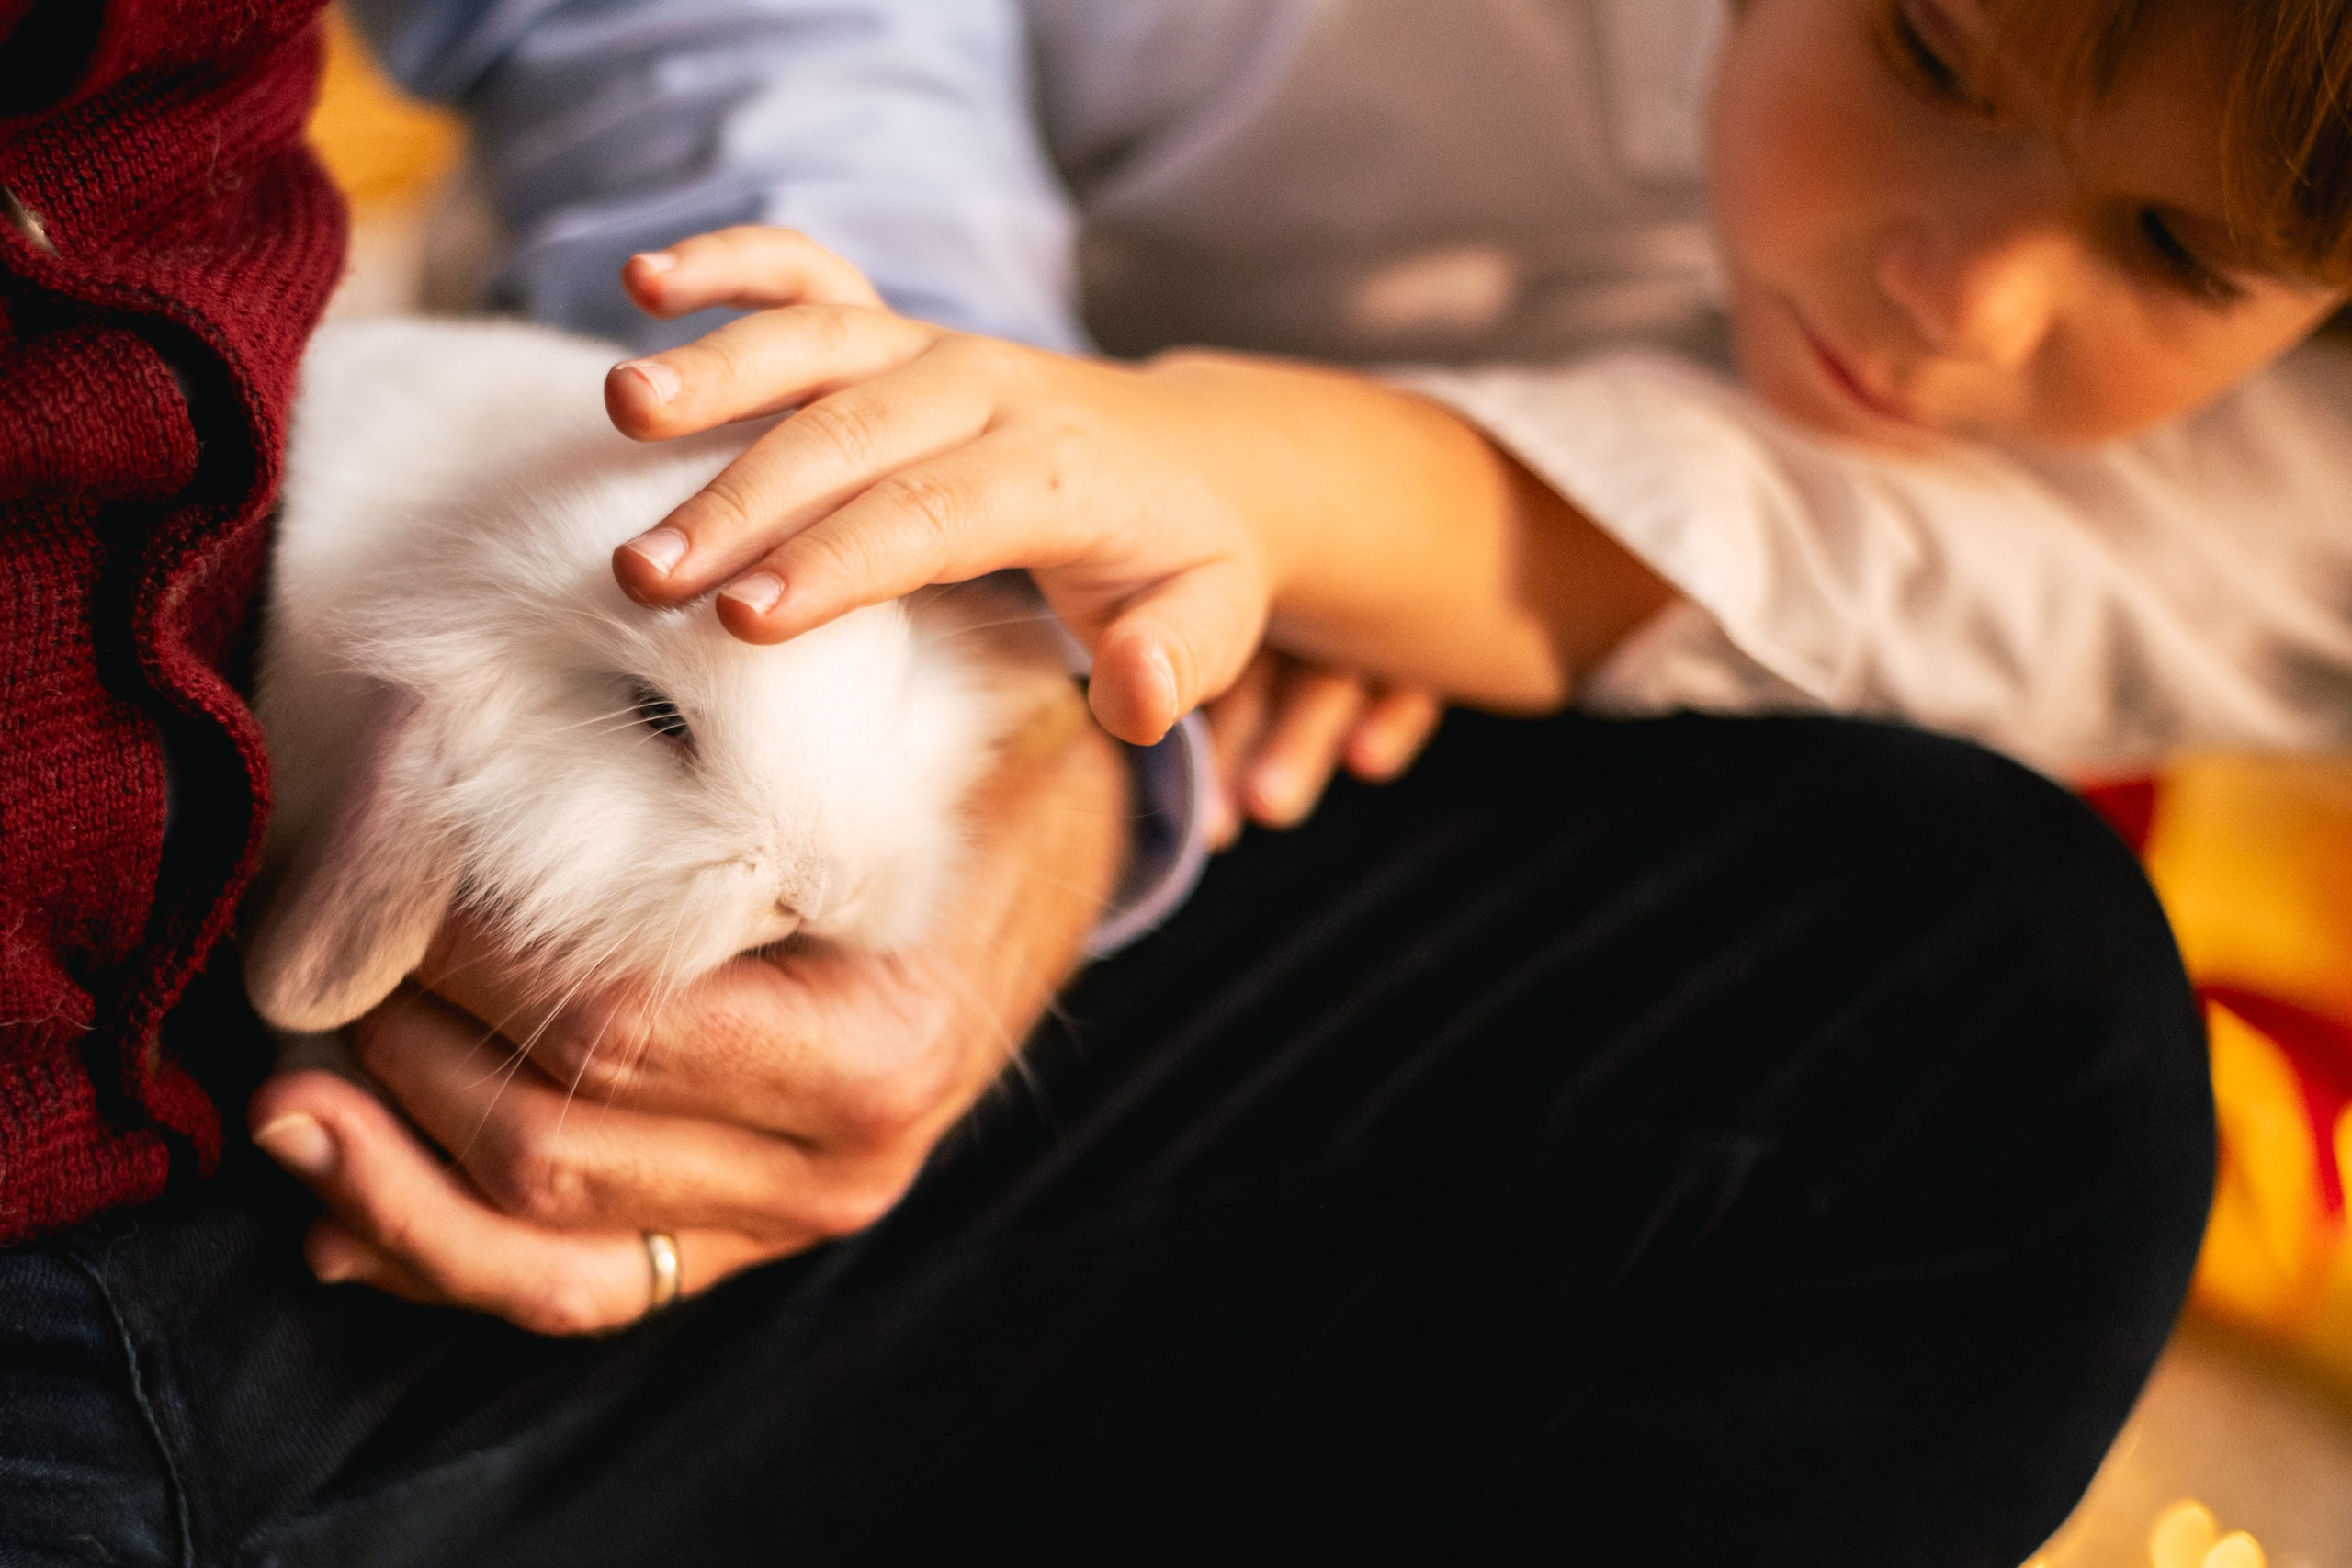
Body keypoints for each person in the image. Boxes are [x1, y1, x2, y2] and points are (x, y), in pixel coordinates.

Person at [1, 0, 2287, 1561]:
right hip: (153, 1129)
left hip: (1087, 719)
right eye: (1920, 45)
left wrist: (1233, 555)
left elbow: (1923, 567)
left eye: (2182, 252)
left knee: (2005, 1027)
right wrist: (931, 454)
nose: (1962, 299)